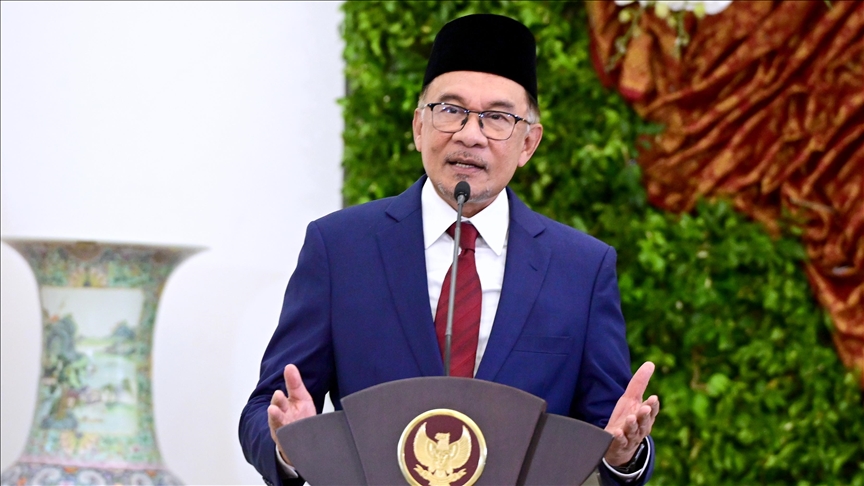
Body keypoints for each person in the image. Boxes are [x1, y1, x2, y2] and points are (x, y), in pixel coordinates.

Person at [240, 13, 659, 486]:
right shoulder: (340, 249)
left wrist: (624, 455)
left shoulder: (580, 268)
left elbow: (610, 430)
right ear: (419, 126)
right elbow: (267, 407)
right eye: (450, 110)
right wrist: (291, 446)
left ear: (528, 143)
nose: (470, 134)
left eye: (497, 118)